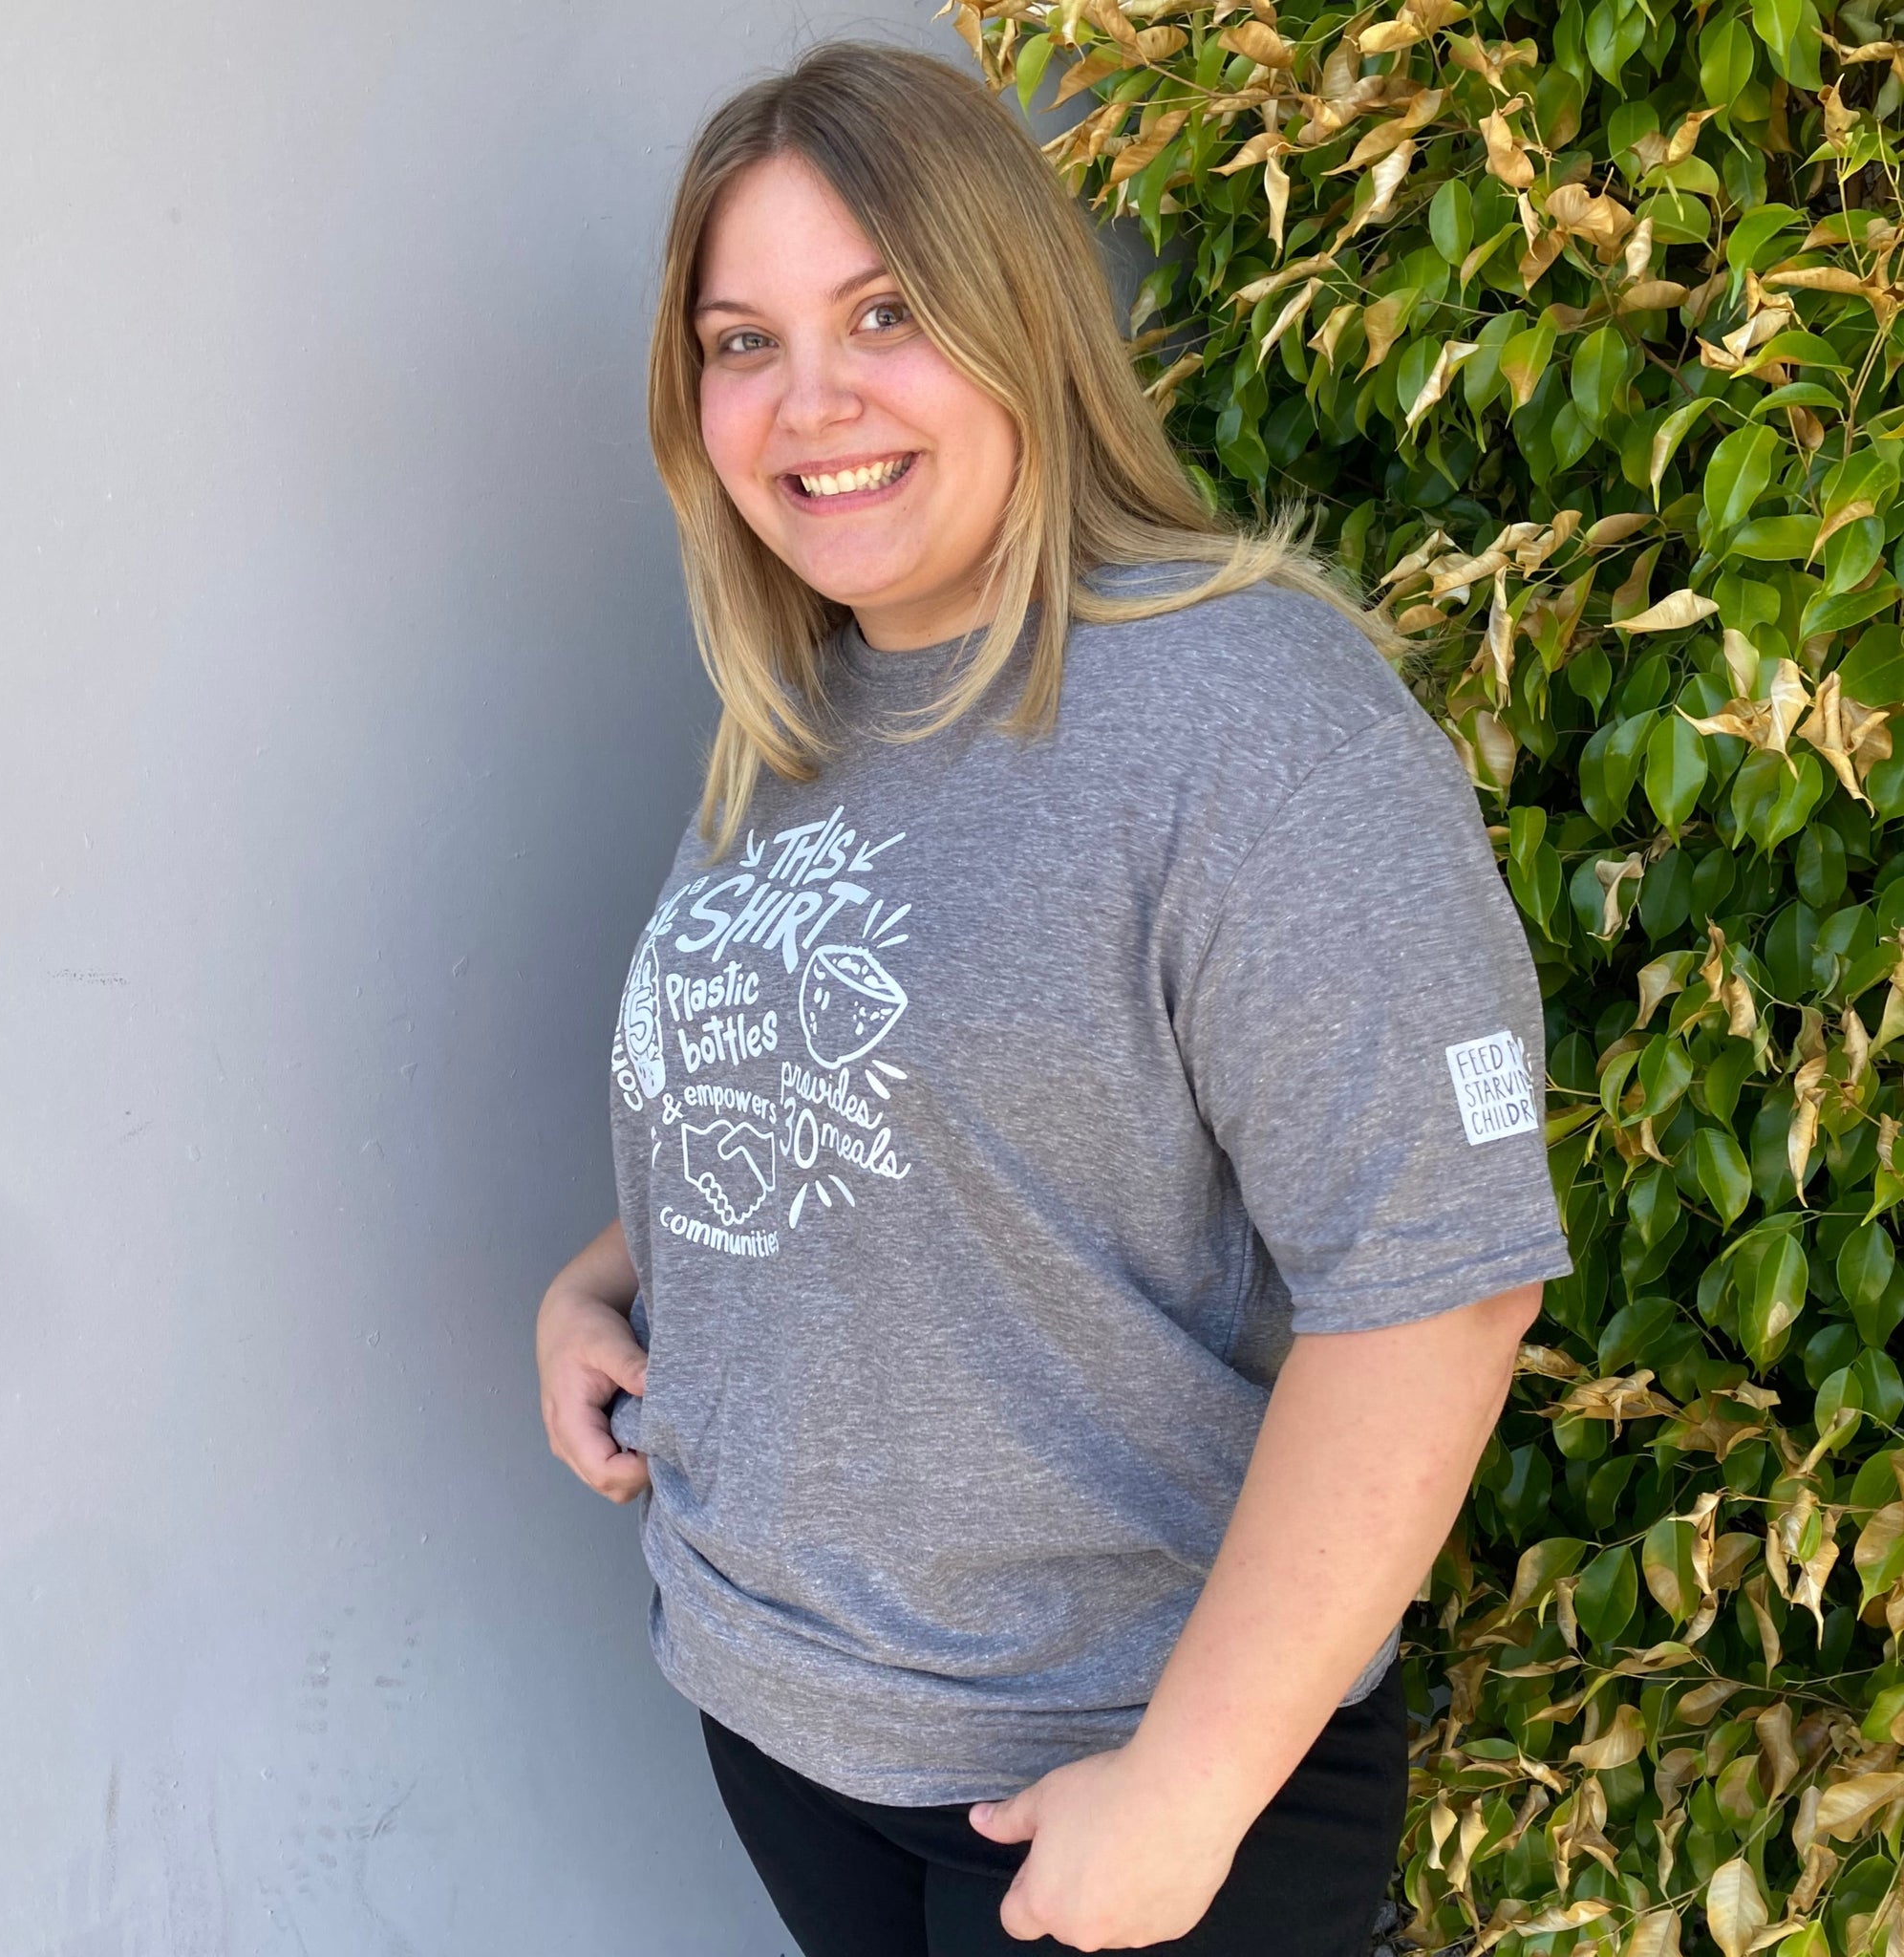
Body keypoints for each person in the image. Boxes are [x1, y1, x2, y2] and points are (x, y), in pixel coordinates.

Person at [536, 39, 1572, 1957]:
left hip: (1110, 1778)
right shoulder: (806, 708)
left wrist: (1189, 1787)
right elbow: (920, 1094)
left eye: (884, 313)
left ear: (1020, 315)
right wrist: (615, 1273)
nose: (811, 400)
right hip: (789, 1716)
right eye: (743, 341)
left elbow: (1440, 1287)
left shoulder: (1252, 724)